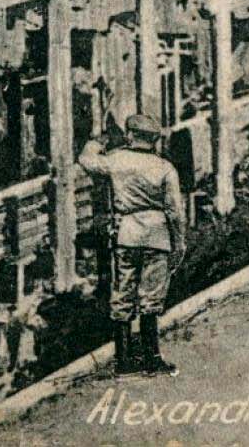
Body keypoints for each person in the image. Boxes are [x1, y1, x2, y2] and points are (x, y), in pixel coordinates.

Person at [79, 113, 188, 376]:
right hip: (157, 235)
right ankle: (152, 358)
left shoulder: (117, 160)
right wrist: (179, 242)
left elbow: (86, 161)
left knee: (122, 295)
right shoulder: (165, 168)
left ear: (130, 136)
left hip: (126, 233)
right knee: (151, 298)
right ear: (153, 140)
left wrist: (96, 142)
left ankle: (123, 360)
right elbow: (175, 212)